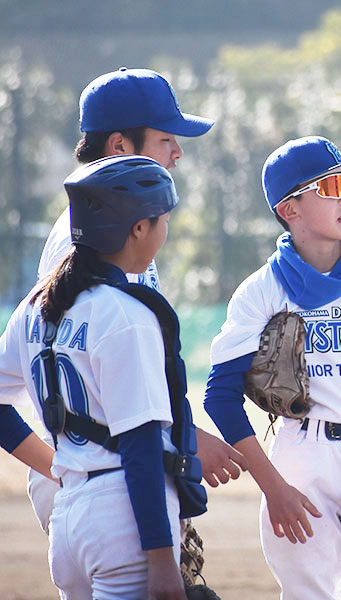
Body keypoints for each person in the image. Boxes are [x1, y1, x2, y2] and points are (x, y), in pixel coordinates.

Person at [203, 136, 341, 598]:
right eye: (328, 188)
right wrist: (274, 488)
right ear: (289, 210)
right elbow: (220, 397)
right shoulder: (262, 290)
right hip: (303, 458)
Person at [25, 67, 246, 535]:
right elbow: (97, 371)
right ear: (119, 146)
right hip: (105, 474)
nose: (178, 152)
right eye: (166, 139)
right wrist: (179, 438)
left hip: (114, 468)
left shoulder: (113, 229)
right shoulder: (84, 240)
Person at [0, 155, 197, 599]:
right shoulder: (126, 313)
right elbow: (140, 443)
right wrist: (162, 560)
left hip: (68, 515)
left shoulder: (35, 307)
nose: (165, 229)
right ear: (139, 229)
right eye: (163, 220)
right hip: (124, 517)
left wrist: (56, 465)